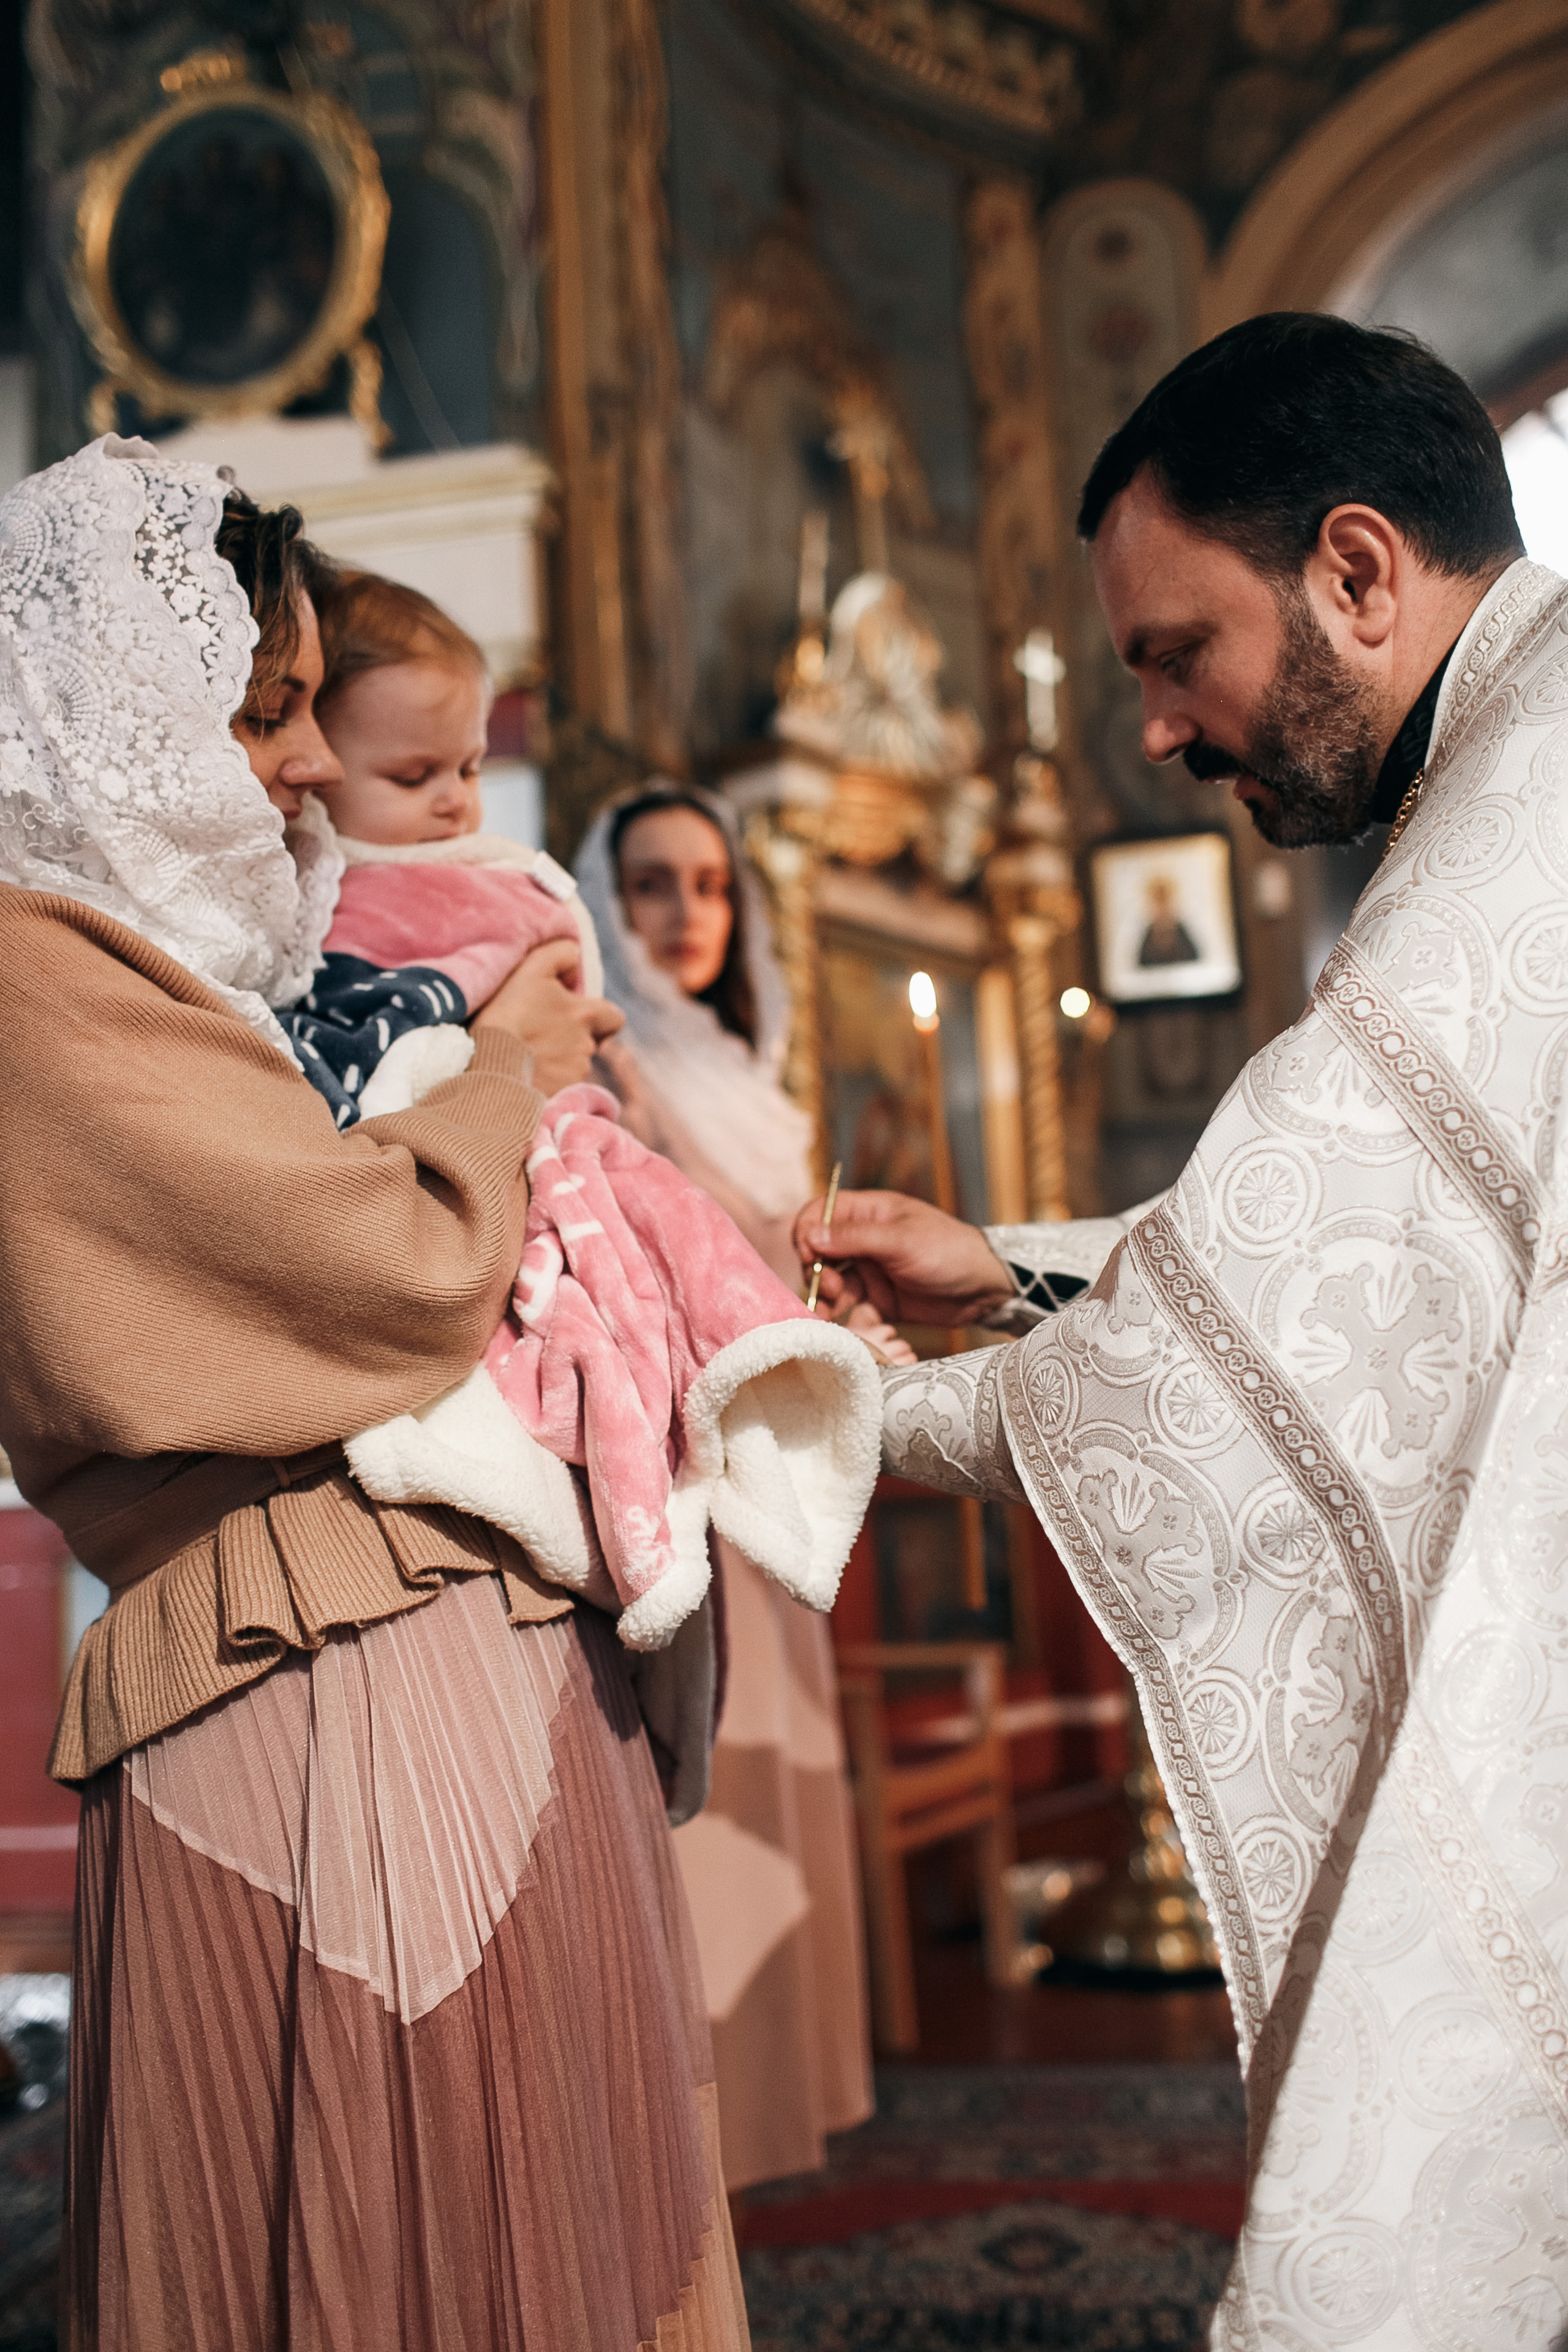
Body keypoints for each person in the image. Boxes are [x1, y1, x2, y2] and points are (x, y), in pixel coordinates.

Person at [796, 314, 1568, 2346]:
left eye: (1172, 651)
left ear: (1358, 571)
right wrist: (1015, 1266)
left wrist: (830, 1417)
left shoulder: (1515, 825)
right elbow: (1362, 1254)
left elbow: (1271, 1326)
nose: (1157, 726)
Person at [0, 436, 751, 2351]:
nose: (317, 763)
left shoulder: (208, 956)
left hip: (445, 1643)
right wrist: (506, 1061)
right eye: (265, 713)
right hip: (308, 1671)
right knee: (386, 2246)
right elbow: (393, 1263)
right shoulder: (31, 969)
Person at [576, 783, 878, 2195]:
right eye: (651, 884)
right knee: (700, 1797)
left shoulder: (756, 1092)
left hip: (772, 1492)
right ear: (606, 897)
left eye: (706, 885)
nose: (685, 913)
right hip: (682, 1491)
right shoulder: (609, 1071)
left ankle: (769, 2124)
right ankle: (681, 2158)